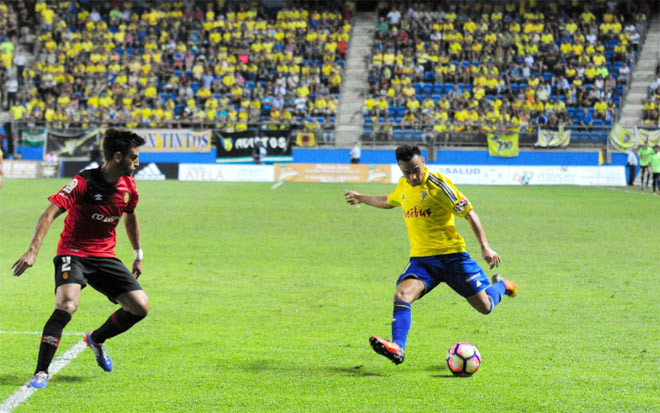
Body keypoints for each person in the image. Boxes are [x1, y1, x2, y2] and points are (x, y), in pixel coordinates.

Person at [344, 144, 517, 365]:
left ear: (423, 161)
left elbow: (469, 212)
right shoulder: (404, 185)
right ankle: (398, 347)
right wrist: (361, 197)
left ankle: (503, 285)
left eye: (416, 169)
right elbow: (389, 201)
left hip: (452, 257)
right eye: (407, 171)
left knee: (485, 307)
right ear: (400, 168)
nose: (413, 176)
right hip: (422, 260)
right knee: (402, 296)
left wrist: (485, 246)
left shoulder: (439, 185)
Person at [12, 129, 150, 389]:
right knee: (67, 305)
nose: (137, 162)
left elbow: (131, 217)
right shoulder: (84, 182)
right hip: (73, 252)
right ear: (118, 156)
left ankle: (96, 339)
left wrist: (138, 254)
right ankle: (41, 372)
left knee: (140, 306)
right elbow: (50, 212)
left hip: (105, 255)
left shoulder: (129, 186)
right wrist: (33, 250)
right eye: (134, 157)